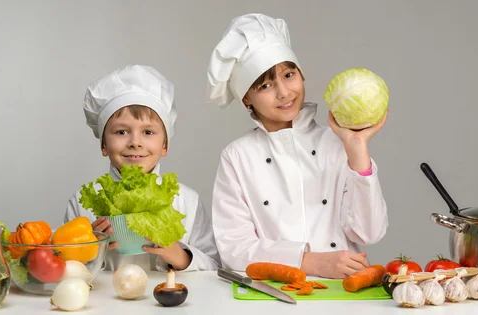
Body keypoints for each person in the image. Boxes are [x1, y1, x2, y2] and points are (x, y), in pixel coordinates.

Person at [205, 13, 388, 279]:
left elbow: (369, 233)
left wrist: (358, 150)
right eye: (266, 85)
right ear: (247, 98)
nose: (284, 92)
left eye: (289, 75)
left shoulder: (336, 145)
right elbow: (234, 249)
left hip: (344, 292)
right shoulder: (238, 156)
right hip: (274, 293)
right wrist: (307, 262)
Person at [65, 64, 220, 272]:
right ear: (103, 145)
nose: (135, 142)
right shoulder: (82, 204)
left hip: (167, 303)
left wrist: (180, 255)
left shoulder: (187, 201)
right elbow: (67, 269)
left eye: (148, 132)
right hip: (107, 304)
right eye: (121, 132)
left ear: (164, 145)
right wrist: (88, 249)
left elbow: (214, 265)